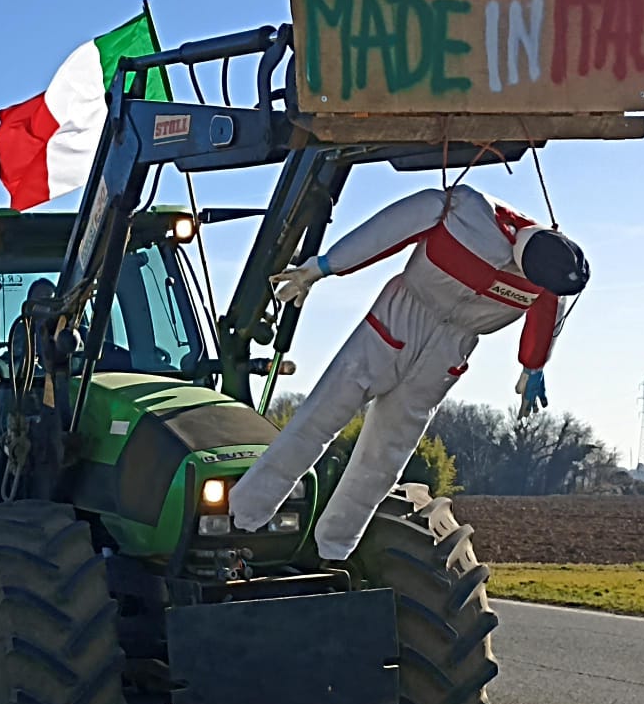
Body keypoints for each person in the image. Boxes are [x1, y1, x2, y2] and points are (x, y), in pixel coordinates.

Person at [229, 183, 588, 563]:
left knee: (387, 455)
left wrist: (533, 366)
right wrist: (325, 265)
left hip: (450, 349)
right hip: (400, 318)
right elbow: (388, 231)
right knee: (322, 414)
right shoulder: (463, 210)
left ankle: (335, 546)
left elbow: (548, 318)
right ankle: (247, 511)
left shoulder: (551, 281)